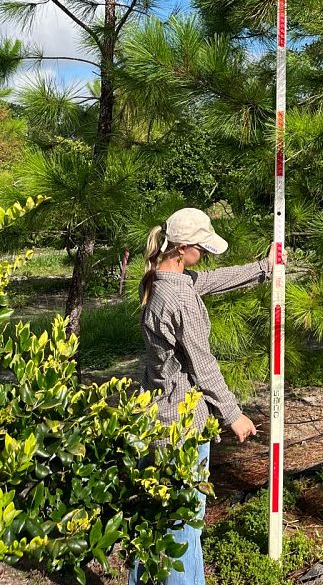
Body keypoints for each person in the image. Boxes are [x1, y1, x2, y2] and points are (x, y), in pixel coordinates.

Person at [127, 207, 285, 585]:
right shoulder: (181, 300)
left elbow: (211, 280)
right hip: (183, 423)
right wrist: (234, 415)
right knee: (186, 523)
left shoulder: (159, 279)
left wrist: (262, 268)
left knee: (156, 514)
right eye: (202, 247)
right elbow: (203, 366)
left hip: (155, 416)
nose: (207, 254)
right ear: (183, 248)